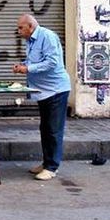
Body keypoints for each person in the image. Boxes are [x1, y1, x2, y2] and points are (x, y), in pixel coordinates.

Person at [13, 14, 71, 181]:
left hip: (56, 90)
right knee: (45, 128)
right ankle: (46, 163)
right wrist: (23, 65)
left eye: (20, 28)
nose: (18, 31)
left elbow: (52, 62)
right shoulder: (30, 41)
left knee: (53, 129)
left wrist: (28, 68)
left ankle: (52, 167)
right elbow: (35, 60)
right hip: (43, 91)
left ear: (30, 26)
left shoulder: (47, 37)